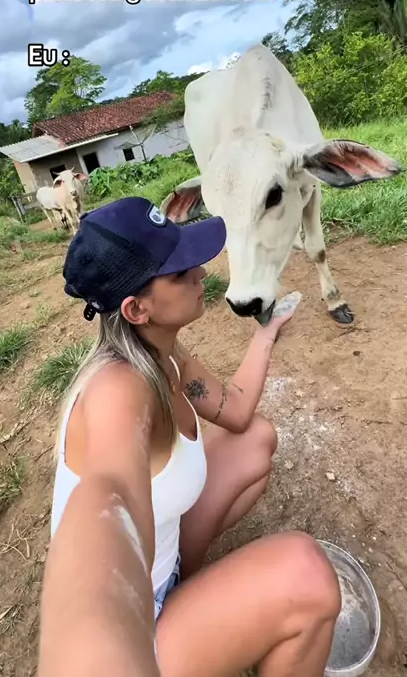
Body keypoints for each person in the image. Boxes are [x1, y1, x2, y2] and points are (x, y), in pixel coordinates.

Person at [37, 196, 341, 677]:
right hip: (141, 629)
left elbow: (236, 411)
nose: (201, 272)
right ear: (137, 308)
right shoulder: (117, 392)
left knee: (255, 441)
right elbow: (107, 500)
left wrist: (265, 335)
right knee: (308, 575)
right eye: (180, 273)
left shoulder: (163, 353)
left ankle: (190, 588)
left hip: (166, 561)